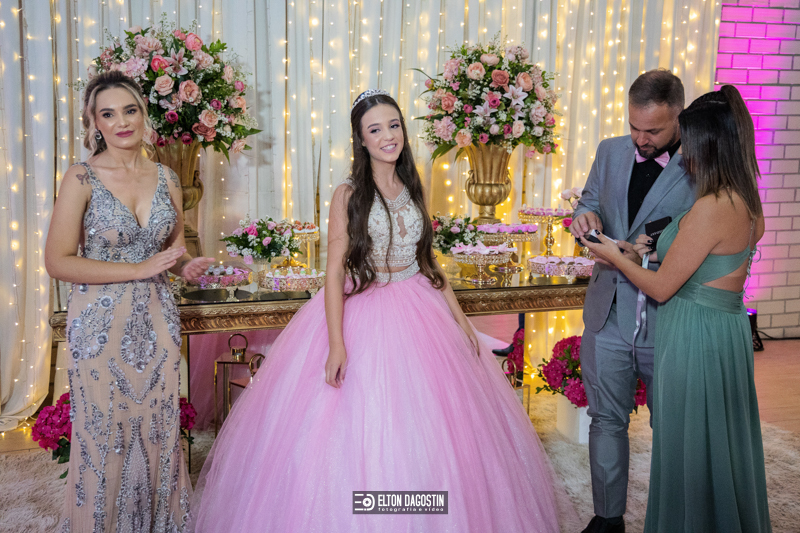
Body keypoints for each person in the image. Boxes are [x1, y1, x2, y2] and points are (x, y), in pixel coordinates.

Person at [189, 90, 576, 532]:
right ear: (361, 139)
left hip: (420, 307)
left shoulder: (412, 185)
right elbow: (334, 271)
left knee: (434, 429)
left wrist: (460, 320)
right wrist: (336, 344)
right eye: (375, 129)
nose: (388, 136)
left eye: (394, 125)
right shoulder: (349, 194)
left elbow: (429, 262)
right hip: (365, 308)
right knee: (363, 426)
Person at [583, 85, 771, 532]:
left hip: (690, 331)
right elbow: (703, 258)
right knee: (708, 437)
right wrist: (642, 250)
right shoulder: (745, 199)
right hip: (716, 327)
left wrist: (614, 256)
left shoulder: (712, 204)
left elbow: (666, 286)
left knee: (684, 438)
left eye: (690, 143)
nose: (684, 154)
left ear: (708, 144)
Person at [45, 71, 214, 532]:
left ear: (143, 115)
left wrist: (186, 266)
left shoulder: (167, 177)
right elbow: (58, 261)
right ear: (94, 123)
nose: (121, 122)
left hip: (157, 322)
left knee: (159, 432)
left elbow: (173, 250)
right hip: (100, 325)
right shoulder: (81, 177)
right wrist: (138, 270)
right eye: (108, 114)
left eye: (130, 110)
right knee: (103, 435)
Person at [569, 68, 695, 533]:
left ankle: (676, 519)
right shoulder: (609, 150)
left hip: (670, 314)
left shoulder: (703, 161)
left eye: (653, 131)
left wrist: (646, 252)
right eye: (634, 127)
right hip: (607, 312)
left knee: (675, 426)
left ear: (679, 116)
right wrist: (586, 217)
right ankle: (607, 520)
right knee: (605, 419)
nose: (641, 139)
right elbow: (589, 200)